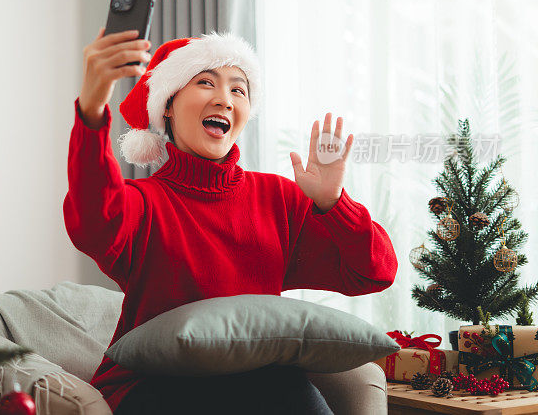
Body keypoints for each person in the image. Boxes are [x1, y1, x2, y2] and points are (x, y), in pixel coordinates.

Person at [63, 28, 398, 414]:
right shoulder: (144, 203)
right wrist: (90, 111)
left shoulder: (280, 200)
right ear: (167, 106)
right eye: (206, 82)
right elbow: (93, 220)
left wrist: (334, 203)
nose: (224, 99)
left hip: (264, 382)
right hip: (152, 386)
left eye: (239, 90)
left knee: (281, 383)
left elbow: (374, 271)